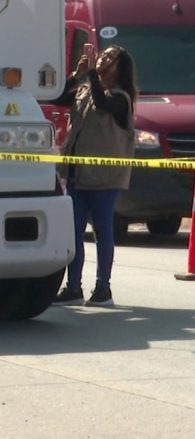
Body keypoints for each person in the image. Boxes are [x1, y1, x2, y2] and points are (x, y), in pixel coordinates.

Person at [52, 44, 138, 308]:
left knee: (102, 231)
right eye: (103, 54)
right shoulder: (86, 89)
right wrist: (77, 75)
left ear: (119, 68)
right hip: (78, 175)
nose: (103, 58)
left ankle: (103, 289)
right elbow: (59, 98)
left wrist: (90, 74)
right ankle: (73, 287)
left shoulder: (121, 98)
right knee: (74, 233)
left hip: (105, 177)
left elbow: (103, 102)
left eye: (110, 57)